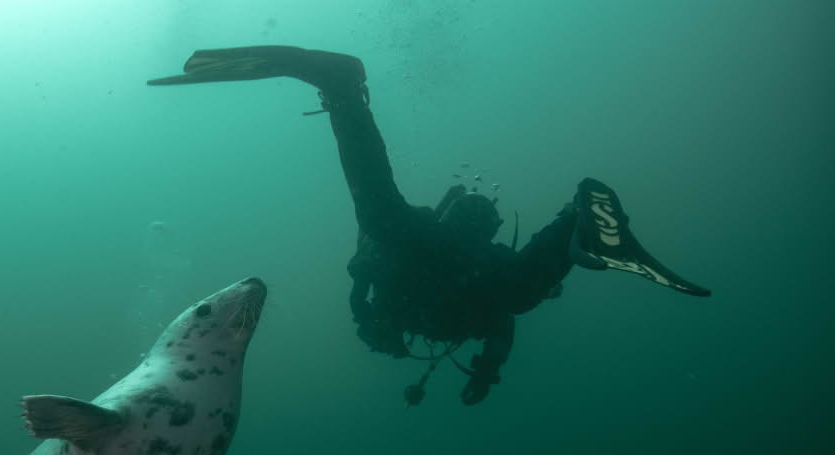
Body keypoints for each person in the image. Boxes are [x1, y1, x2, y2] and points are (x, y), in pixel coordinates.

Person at [149, 46, 711, 405]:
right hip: (457, 262)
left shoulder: (409, 290)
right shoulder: (472, 286)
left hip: (431, 251)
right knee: (489, 276)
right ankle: (578, 222)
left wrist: (391, 332)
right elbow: (497, 324)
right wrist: (481, 375)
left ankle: (344, 92)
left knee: (395, 225)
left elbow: (367, 283)